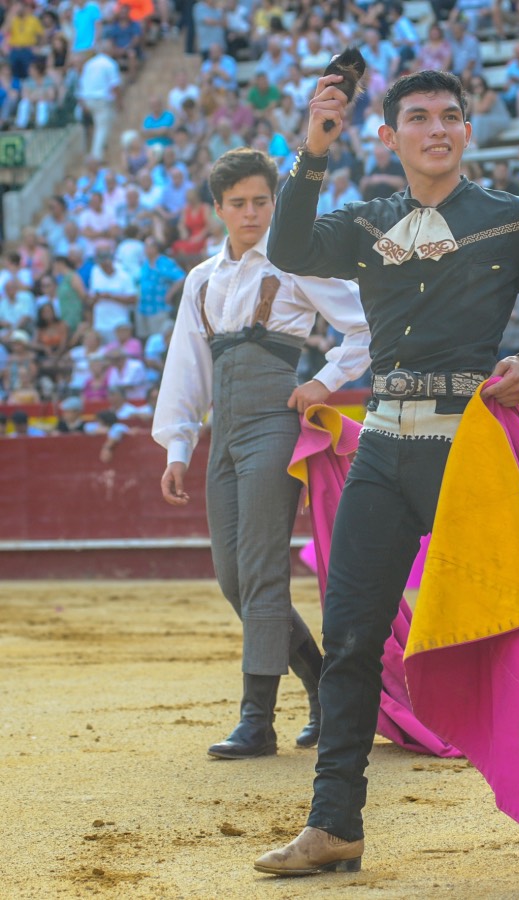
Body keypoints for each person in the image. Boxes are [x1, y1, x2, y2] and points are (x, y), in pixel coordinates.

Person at [255, 69, 519, 877]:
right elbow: (288, 246)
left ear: (468, 132)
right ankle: (334, 823)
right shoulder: (368, 221)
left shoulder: (511, 220)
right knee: (350, 639)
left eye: (450, 116)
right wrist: (313, 147)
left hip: (470, 448)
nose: (435, 128)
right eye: (417, 117)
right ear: (390, 135)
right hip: (384, 446)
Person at [152, 148, 372, 762]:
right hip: (225, 434)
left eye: (261, 201)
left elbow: (366, 326)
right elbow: (187, 367)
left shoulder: (295, 258)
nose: (252, 213)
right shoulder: (202, 279)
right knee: (234, 577)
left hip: (275, 427)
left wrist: (322, 384)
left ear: (275, 203)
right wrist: (177, 445)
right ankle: (321, 682)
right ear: (217, 209)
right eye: (239, 204)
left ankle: (257, 720)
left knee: (262, 569)